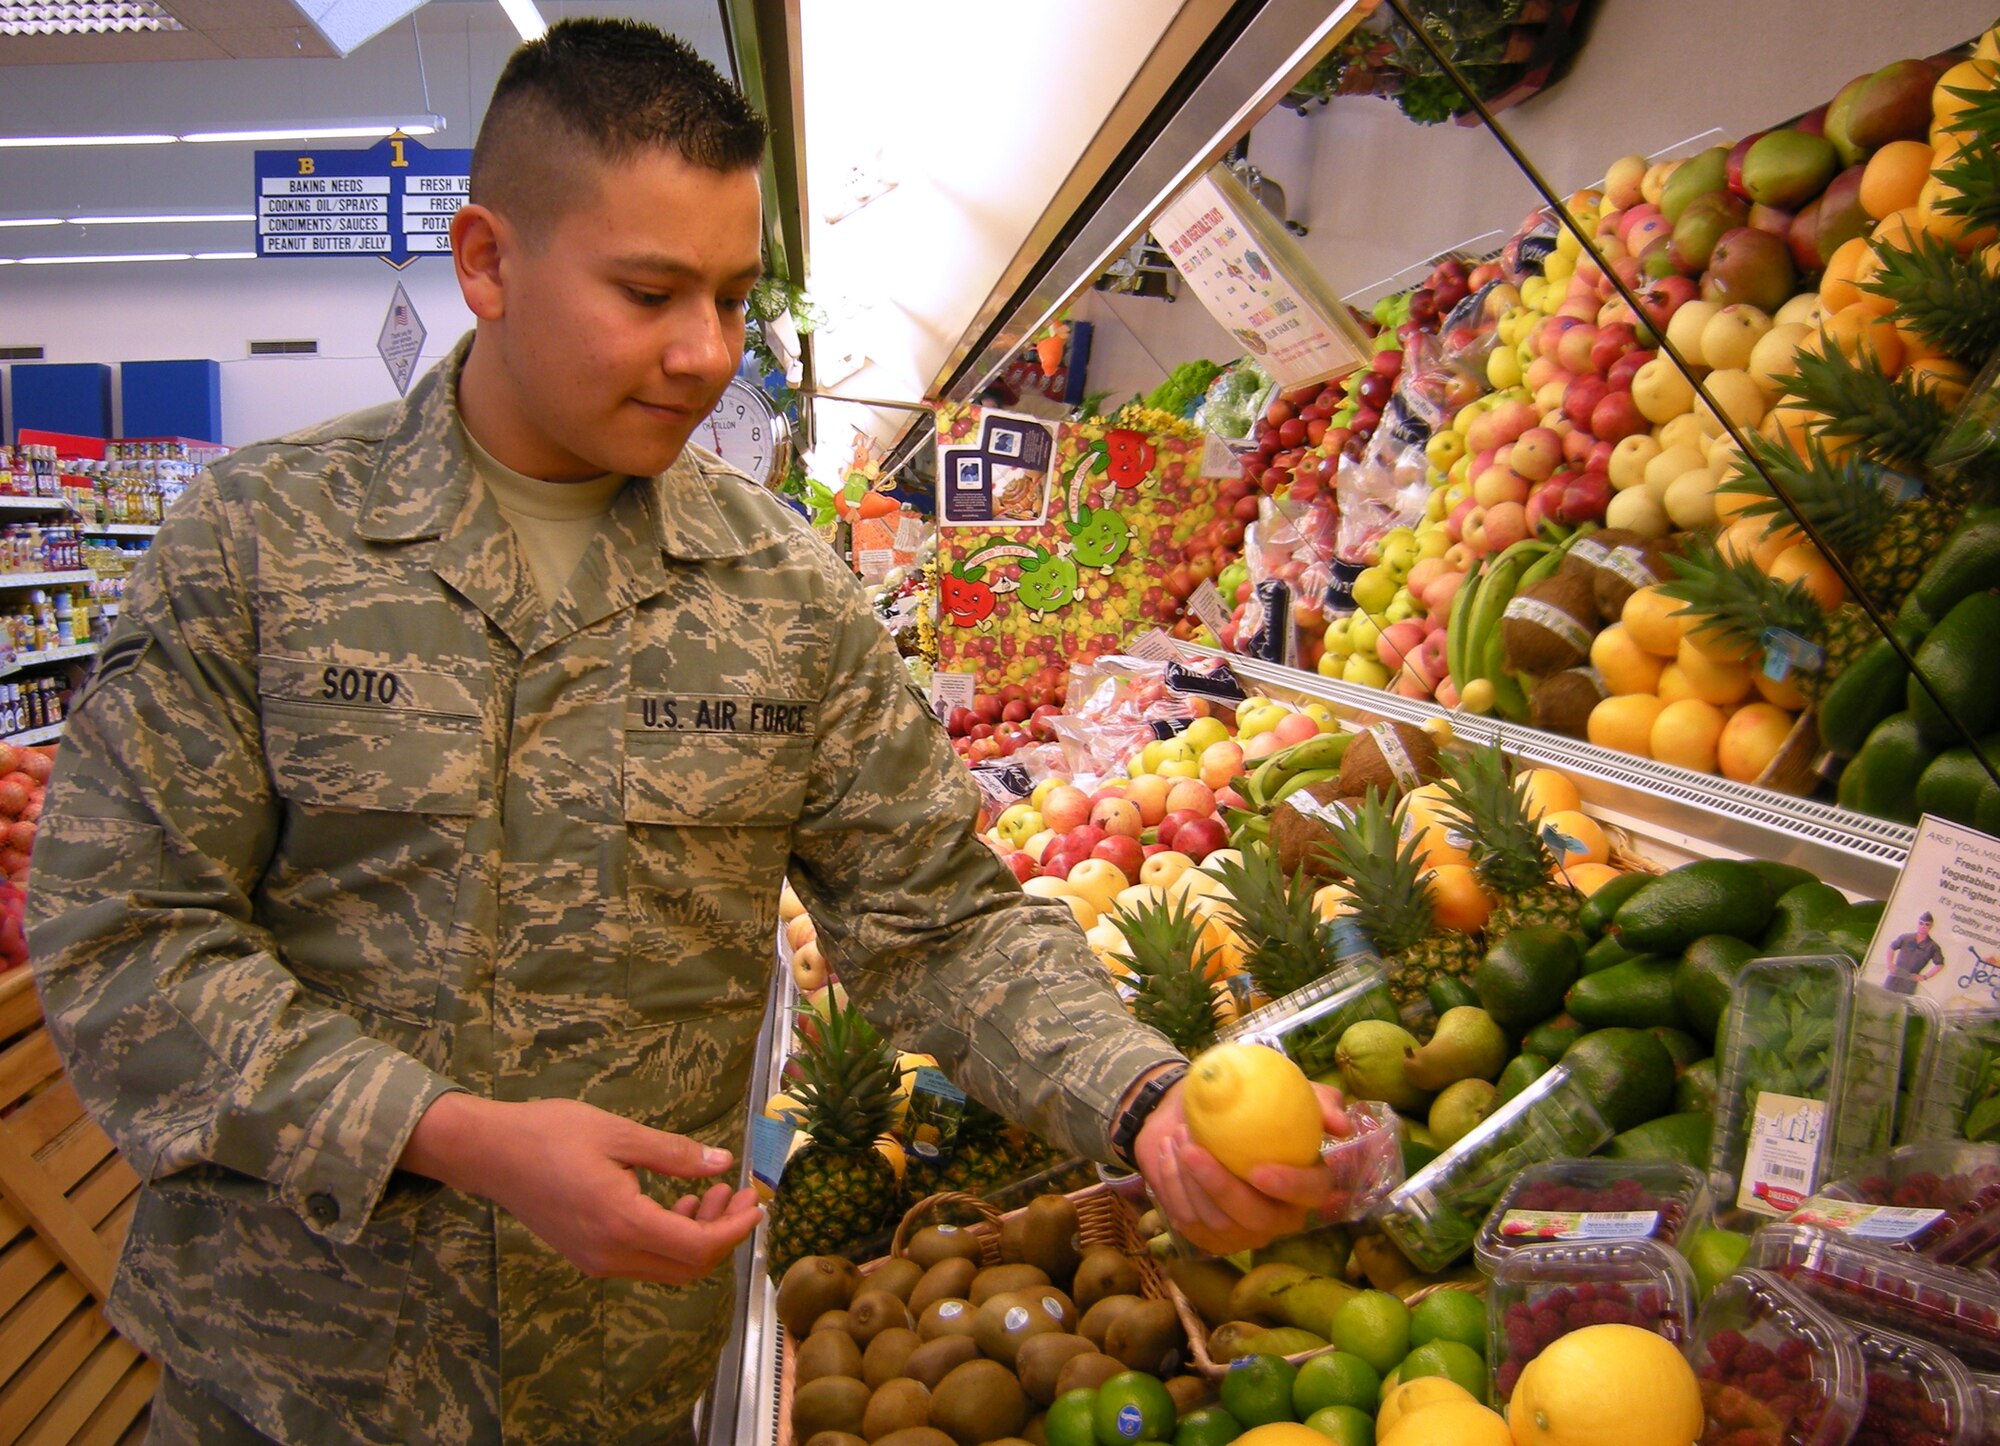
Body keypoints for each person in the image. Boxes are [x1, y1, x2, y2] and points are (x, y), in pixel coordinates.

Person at [26, 20, 1346, 1446]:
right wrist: (446, 1129)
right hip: (288, 1385)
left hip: (625, 1385)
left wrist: (1141, 1089)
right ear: (488, 262)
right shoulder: (262, 546)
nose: (705, 353)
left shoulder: (779, 591)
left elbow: (941, 922)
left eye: (729, 296)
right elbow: (127, 936)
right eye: (649, 291)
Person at [1883, 911, 1946, 996]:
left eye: (1927, 924)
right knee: (1883, 998)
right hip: (1895, 975)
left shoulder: (1932, 946)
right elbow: (1891, 948)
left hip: (1910, 979)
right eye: (1921, 923)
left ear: (1931, 926)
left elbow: (1940, 964)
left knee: (1902, 1003)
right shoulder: (1905, 937)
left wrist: (1924, 977)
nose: (1923, 926)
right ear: (1918, 923)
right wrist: (1890, 963)